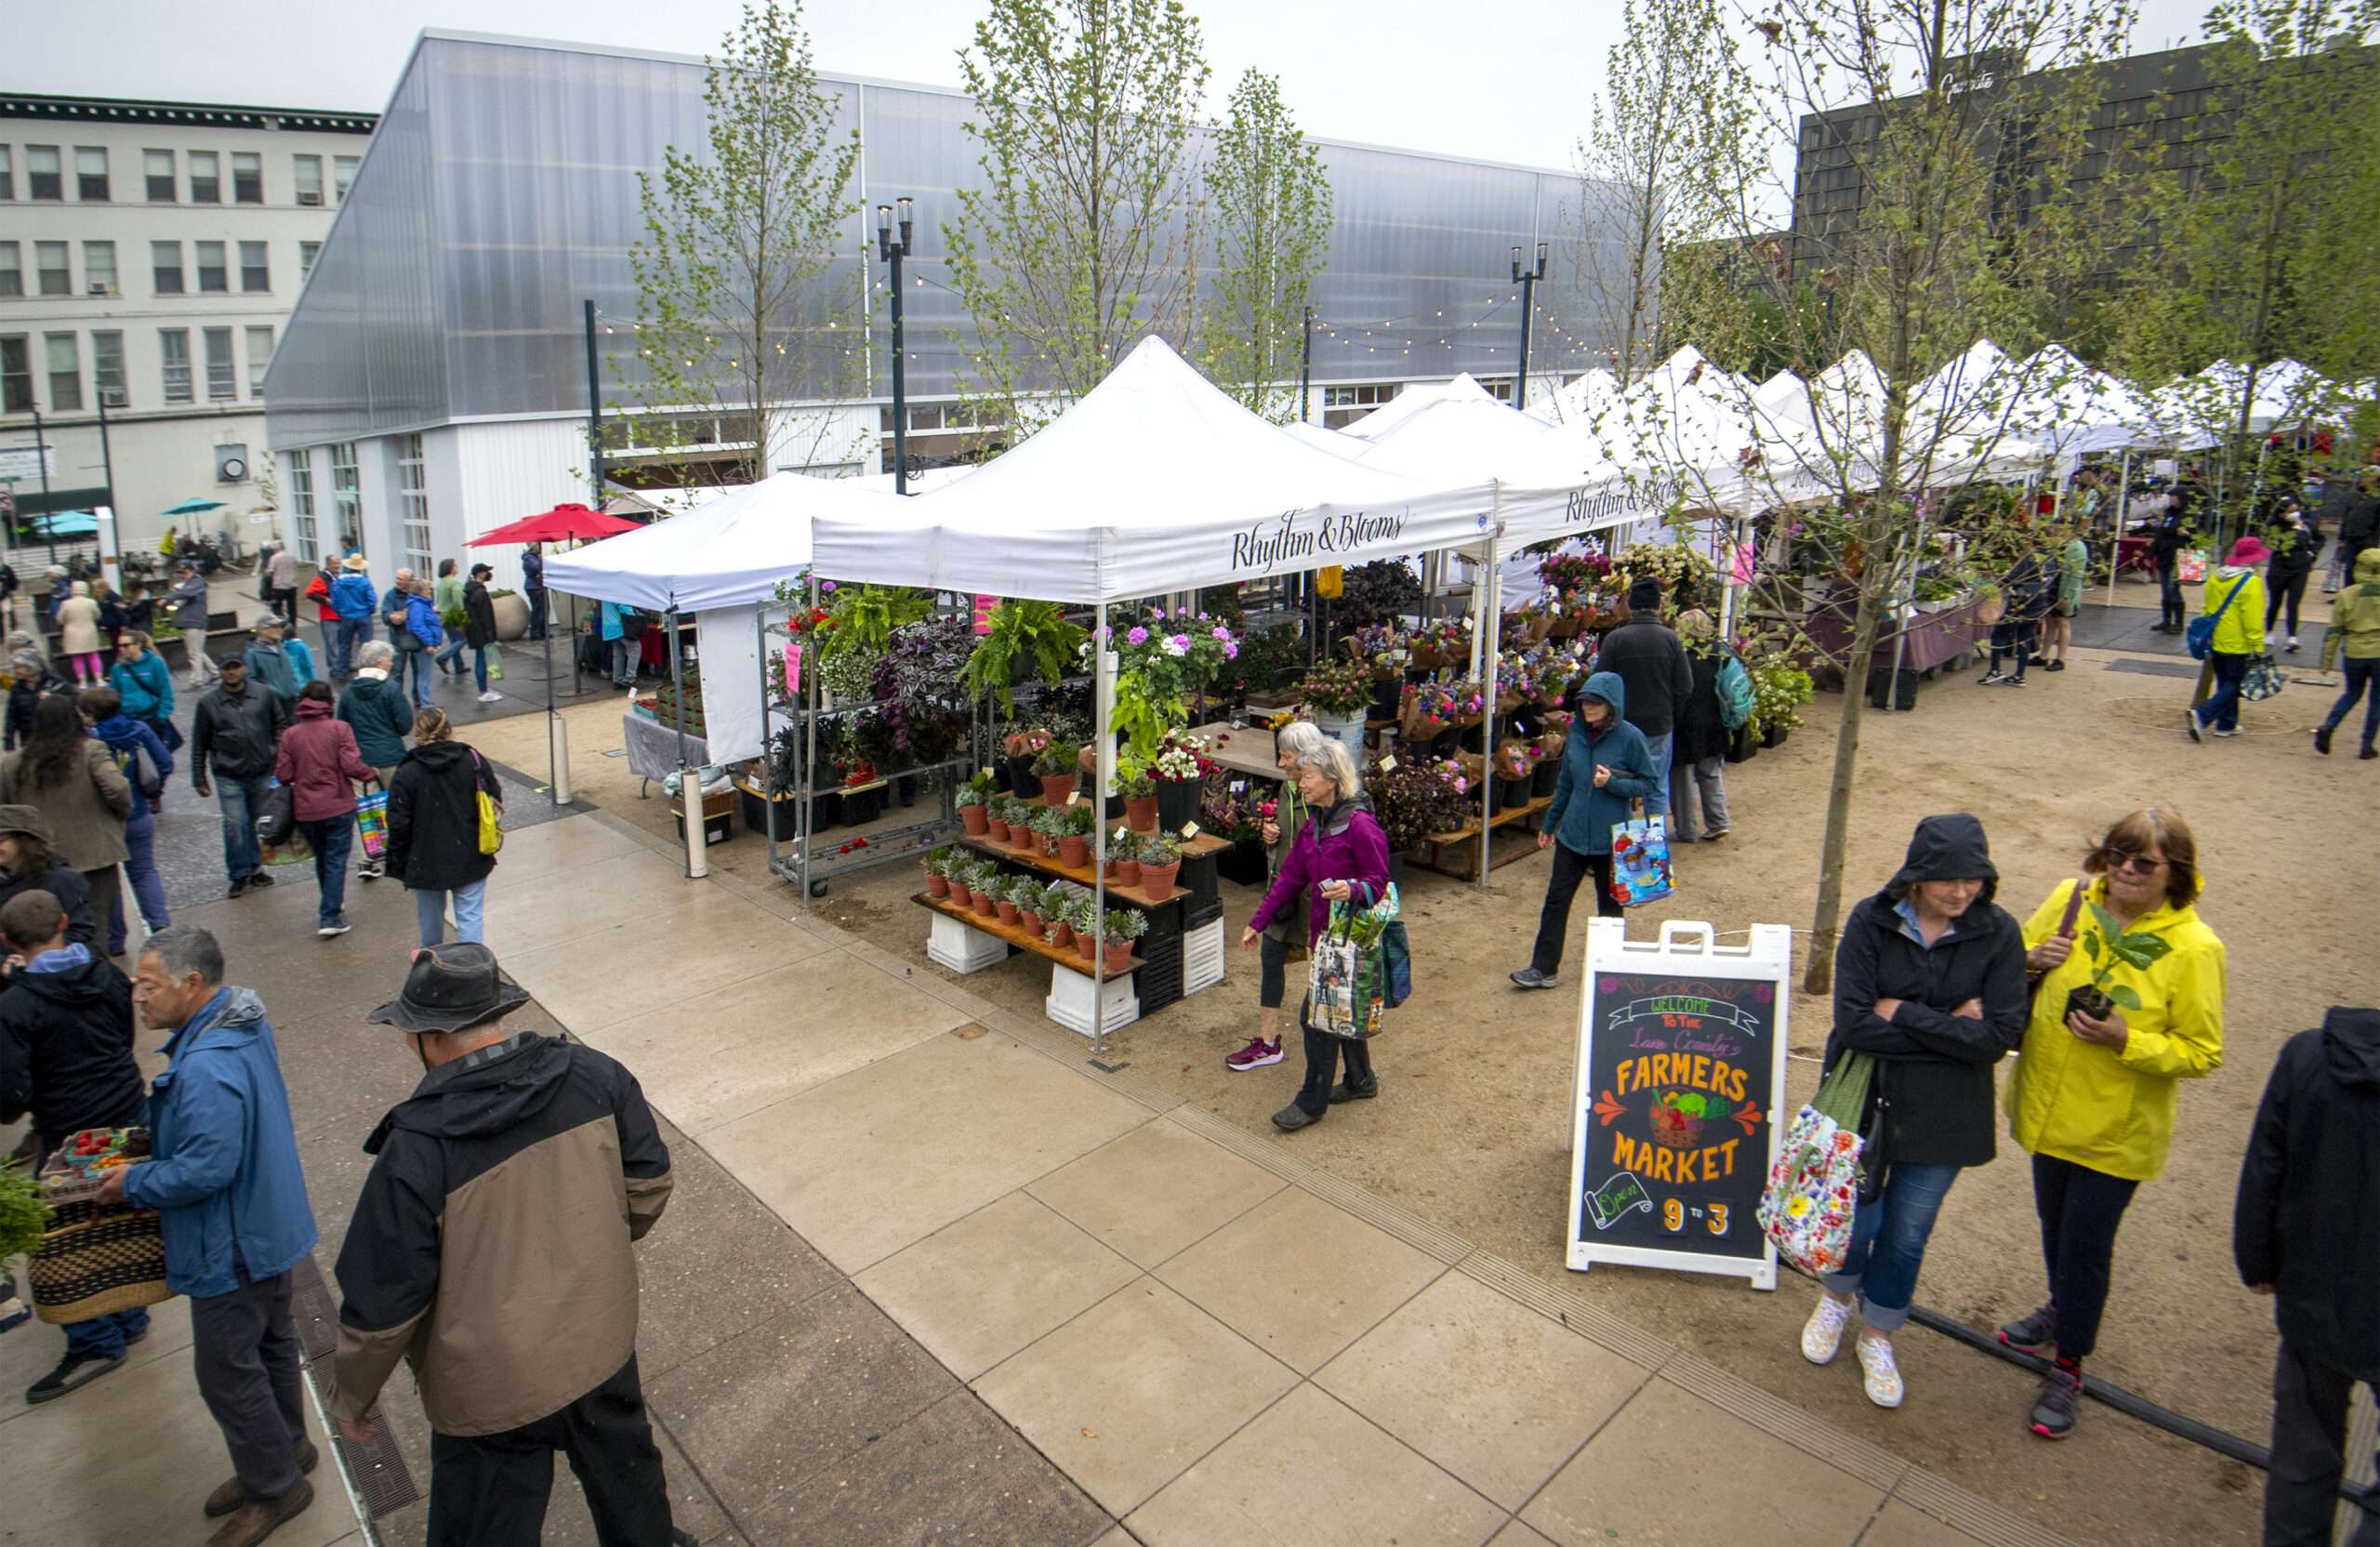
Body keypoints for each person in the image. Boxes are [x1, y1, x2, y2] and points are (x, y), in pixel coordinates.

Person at [335, 944, 692, 1547]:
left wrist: (352, 1398)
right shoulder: (595, 1076)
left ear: (431, 1036)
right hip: (599, 1349)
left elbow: (383, 1306)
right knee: (632, 1500)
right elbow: (649, 1188)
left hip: (487, 1393)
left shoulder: (413, 1152)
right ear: (496, 1013)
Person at [2002, 807, 2225, 1440]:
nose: (2126, 869)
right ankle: (2059, 1307)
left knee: (2086, 1246)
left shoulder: (2194, 948)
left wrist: (2129, 1039)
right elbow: (2010, 966)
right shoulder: (2070, 900)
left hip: (2115, 1131)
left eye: (2145, 861)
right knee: (2054, 1226)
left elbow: (2202, 1052)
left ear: (2173, 873)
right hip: (2047, 1106)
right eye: (2118, 853)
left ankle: (2070, 1364)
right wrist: (2033, 958)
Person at [93, 925, 320, 1547]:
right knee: (272, 1346)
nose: (139, 998)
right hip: (268, 1226)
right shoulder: (238, 1020)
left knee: (225, 1371)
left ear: (193, 984)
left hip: (232, 1245)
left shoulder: (204, 1070)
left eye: (149, 985)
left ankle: (275, 1487)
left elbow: (206, 1169)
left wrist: (133, 1183)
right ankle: (287, 1449)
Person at [1803, 814, 2028, 1408]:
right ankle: (1835, 1300)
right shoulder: (1870, 920)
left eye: (1973, 880)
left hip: (1946, 1117)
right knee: (1858, 1221)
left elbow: (2001, 1035)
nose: (1960, 893)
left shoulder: (1999, 933)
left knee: (1906, 1235)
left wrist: (1900, 1012)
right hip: (1869, 1103)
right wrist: (1952, 1027)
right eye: (1947, 880)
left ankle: (1878, 1334)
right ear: (1917, 876)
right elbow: (1852, 1023)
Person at [2233, 1004, 2380, 1547]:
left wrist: (2258, 1260)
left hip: (2317, 1290)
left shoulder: (2310, 1055)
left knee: (2302, 1454)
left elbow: (2266, 1167)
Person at [0, 888, 150, 1402]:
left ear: (7, 941)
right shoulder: (106, 975)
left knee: (67, 1244)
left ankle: (94, 1340)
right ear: (64, 922)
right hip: (129, 1115)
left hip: (70, 1134)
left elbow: (11, 1096)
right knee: (122, 1219)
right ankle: (130, 1310)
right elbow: (125, 1036)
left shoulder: (15, 1005)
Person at [1241, 739, 1391, 1131]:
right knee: (1338, 1010)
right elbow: (1290, 877)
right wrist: (1259, 921)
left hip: (1352, 939)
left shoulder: (1359, 825)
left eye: (1307, 776)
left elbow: (1380, 881)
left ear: (1331, 779)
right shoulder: (1316, 824)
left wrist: (1355, 890)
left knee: (1316, 1017)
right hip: (1326, 939)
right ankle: (1360, 1080)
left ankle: (1312, 1101)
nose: (1300, 783)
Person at [1512, 671, 1658, 991]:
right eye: (1584, 702)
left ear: (1612, 705)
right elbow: (1564, 784)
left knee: (1609, 906)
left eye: (1596, 703)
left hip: (1612, 839)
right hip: (1573, 837)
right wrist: (1549, 825)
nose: (1588, 708)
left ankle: (1611, 969)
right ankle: (1542, 968)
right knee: (1556, 901)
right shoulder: (1575, 734)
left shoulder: (1631, 738)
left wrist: (1614, 784)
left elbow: (1649, 783)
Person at [1225, 720, 1324, 1073]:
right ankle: (1267, 1041)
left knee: (1324, 967)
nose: (1281, 764)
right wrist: (1270, 832)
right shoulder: (1289, 788)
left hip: (1319, 898)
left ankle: (1333, 1040)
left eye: (1287, 756)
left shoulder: (1324, 794)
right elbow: (1288, 838)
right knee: (1270, 957)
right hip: (1285, 889)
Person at [0, 695, 131, 954]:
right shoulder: (91, 750)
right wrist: (117, 816)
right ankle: (91, 980)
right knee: (94, 929)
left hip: (37, 859)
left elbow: (5, 812)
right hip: (95, 855)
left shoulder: (13, 764)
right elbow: (118, 789)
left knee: (38, 931)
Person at [387, 707, 501, 947]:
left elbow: (398, 823)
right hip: (470, 852)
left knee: (430, 924)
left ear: (417, 734)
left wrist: (400, 861)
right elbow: (494, 798)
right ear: (448, 731)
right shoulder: (472, 760)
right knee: (470, 918)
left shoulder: (407, 772)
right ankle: (472, 971)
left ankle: (434, 969)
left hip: (425, 860)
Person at [273, 681, 374, 939]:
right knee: (337, 859)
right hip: (338, 803)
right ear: (329, 702)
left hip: (306, 808)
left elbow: (283, 775)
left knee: (323, 857)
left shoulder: (290, 735)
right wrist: (369, 774)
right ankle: (329, 915)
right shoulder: (340, 729)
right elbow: (351, 765)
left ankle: (333, 901)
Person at [80, 687, 173, 955]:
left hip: (104, 819)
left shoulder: (89, 739)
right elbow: (165, 762)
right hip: (138, 812)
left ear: (90, 715)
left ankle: (115, 938)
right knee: (144, 871)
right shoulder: (140, 729)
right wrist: (150, 790)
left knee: (109, 878)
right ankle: (160, 925)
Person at [191, 656, 292, 900]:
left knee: (257, 822)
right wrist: (198, 777)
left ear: (244, 668)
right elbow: (199, 742)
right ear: (220, 671)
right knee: (235, 824)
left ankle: (256, 868)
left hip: (261, 770)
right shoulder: (208, 703)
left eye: (235, 667)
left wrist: (274, 752)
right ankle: (238, 874)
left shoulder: (263, 694)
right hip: (228, 773)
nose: (231, 672)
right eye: (226, 668)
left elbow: (281, 725)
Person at [1593, 576, 1692, 814]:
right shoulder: (1670, 639)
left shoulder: (1616, 639)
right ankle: (1652, 848)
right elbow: (1685, 686)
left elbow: (1599, 684)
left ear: (1630, 605)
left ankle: (1622, 847)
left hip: (1622, 725)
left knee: (1620, 784)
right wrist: (1671, 712)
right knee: (1655, 786)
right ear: (1659, 605)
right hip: (1659, 723)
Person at [2186, 536, 2269, 743]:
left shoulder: (2217, 576)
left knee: (2225, 681)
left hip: (2216, 637)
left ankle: (2227, 723)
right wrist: (2257, 644)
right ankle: (2203, 715)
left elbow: (2208, 608)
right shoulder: (2251, 582)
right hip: (2237, 641)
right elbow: (2253, 618)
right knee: (2235, 683)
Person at [1669, 608, 1733, 843]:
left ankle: (1686, 830)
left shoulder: (1681, 655)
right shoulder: (1720, 652)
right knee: (1710, 773)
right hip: (1715, 720)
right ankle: (1719, 822)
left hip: (1685, 722)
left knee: (1680, 777)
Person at [2316, 546, 2380, 760]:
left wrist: (2326, 662)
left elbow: (2334, 631)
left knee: (2352, 693)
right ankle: (2366, 744)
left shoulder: (2346, 595)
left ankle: (2329, 725)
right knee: (2377, 700)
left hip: (2354, 650)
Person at [0, 807, 98, 947]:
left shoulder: (62, 879)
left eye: (0, 840)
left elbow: (81, 933)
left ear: (24, 840)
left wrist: (34, 957)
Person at [1982, 545, 2055, 687]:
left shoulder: (2029, 559)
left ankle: (1995, 670)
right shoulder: (2051, 558)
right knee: (2024, 638)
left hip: (2021, 603)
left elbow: (2009, 579)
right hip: (2039, 603)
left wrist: (1992, 583)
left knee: (1999, 634)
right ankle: (2019, 675)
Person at [2263, 496, 2319, 653]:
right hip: (2279, 569)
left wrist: (2312, 554)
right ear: (2282, 514)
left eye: (2297, 510)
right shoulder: (2275, 528)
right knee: (2275, 602)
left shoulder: (2306, 526)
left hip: (2299, 569)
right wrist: (2293, 530)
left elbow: (2320, 539)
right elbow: (2274, 543)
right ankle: (2269, 631)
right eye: (2291, 511)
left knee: (2293, 604)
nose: (2296, 514)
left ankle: (2292, 637)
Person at [109, 631, 179, 751]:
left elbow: (166, 692)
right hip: (128, 720)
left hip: (151, 718)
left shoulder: (156, 663)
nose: (121, 649)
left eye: (126, 645)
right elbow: (113, 695)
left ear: (138, 645)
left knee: (158, 759)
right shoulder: (117, 668)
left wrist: (161, 718)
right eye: (119, 646)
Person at [2034, 523, 2089, 672]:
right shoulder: (2056, 544)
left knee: (2062, 622)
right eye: (2057, 528)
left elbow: (2076, 575)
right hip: (2052, 587)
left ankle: (2061, 658)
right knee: (2050, 622)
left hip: (2065, 589)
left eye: (2061, 528)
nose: (2057, 530)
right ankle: (2044, 655)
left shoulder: (2078, 548)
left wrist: (2067, 597)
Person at [382, 567, 431, 710]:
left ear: (410, 581)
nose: (397, 581)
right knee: (397, 671)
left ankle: (418, 700)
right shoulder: (390, 595)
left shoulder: (416, 593)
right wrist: (393, 616)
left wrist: (403, 615)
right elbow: (387, 615)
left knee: (418, 670)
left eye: (401, 579)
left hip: (416, 639)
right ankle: (397, 702)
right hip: (398, 639)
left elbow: (424, 611)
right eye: (397, 578)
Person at [2149, 487, 2193, 634]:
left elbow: (2194, 536)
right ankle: (2166, 619)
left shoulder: (2188, 515)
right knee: (2165, 590)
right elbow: (2161, 533)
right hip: (2164, 555)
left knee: (2173, 589)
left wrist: (2187, 534)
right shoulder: (2168, 513)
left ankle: (2178, 623)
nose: (2172, 499)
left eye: (2174, 496)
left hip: (2177, 557)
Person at [241, 615, 317, 700]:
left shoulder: (281, 647)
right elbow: (250, 680)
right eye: (274, 627)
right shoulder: (252, 653)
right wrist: (267, 696)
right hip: (271, 704)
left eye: (280, 627)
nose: (279, 630)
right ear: (263, 631)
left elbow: (291, 672)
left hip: (292, 699)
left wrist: (296, 690)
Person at [6, 647, 66, 751]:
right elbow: (11, 717)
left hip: (55, 739)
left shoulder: (54, 680)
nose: (15, 671)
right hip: (29, 741)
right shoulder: (16, 689)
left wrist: (54, 698)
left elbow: (75, 700)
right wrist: (9, 744)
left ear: (31, 666)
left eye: (18, 667)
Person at [167, 562, 217, 689]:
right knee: (197, 651)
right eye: (180, 573)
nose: (182, 575)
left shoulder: (196, 583)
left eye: (185, 572)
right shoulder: (190, 584)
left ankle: (196, 681)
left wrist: (168, 598)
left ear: (192, 571)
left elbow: (186, 594)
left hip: (194, 621)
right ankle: (215, 672)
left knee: (193, 653)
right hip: (193, 621)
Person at [328, 554, 377, 679]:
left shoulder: (338, 582)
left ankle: (341, 671)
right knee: (366, 646)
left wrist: (340, 612)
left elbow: (334, 602)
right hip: (363, 616)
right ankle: (367, 671)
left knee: (344, 644)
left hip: (346, 617)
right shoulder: (365, 582)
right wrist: (369, 611)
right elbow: (372, 600)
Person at [461, 563, 502, 703]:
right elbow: (486, 616)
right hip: (481, 631)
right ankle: (483, 691)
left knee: (480, 658)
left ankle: (483, 689)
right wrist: (491, 635)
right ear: (480, 574)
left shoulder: (469, 590)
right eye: (486, 571)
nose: (488, 574)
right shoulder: (481, 593)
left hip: (473, 630)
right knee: (481, 660)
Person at [56, 580, 106, 689]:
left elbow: (59, 619)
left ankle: (82, 682)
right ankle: (99, 679)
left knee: (77, 658)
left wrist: (68, 622)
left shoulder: (66, 603)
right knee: (93, 655)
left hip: (72, 632)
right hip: (89, 631)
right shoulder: (91, 602)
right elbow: (98, 616)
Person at [430, 559, 469, 678]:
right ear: (451, 568)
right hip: (453, 615)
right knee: (462, 640)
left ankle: (459, 666)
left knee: (454, 641)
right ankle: (443, 657)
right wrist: (462, 615)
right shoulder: (454, 583)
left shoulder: (440, 583)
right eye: (455, 565)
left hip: (442, 615)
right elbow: (458, 602)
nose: (457, 567)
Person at [264, 540, 303, 631]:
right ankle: (293, 626)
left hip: (279, 586)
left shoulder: (274, 558)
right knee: (292, 608)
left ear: (275, 549)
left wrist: (266, 574)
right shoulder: (292, 557)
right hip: (292, 585)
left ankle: (281, 625)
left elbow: (270, 573)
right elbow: (296, 568)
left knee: (277, 607)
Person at [601, 600, 638, 689]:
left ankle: (617, 680)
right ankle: (630, 679)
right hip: (619, 625)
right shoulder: (615, 590)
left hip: (609, 627)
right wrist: (634, 614)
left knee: (618, 653)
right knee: (635, 648)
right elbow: (622, 605)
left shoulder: (604, 591)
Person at [522, 541, 549, 641]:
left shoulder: (534, 557)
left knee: (544, 610)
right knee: (537, 610)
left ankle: (543, 631)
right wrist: (542, 559)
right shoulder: (528, 558)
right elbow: (537, 567)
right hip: (533, 587)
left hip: (539, 586)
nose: (539, 547)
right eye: (537, 545)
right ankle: (535, 633)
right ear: (533, 547)